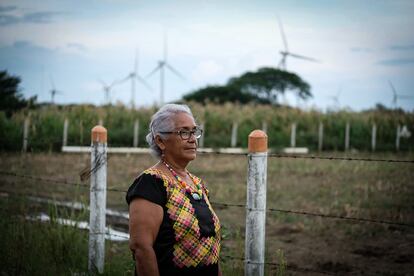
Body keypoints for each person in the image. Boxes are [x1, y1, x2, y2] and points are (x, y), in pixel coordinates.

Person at [126, 104, 221, 276]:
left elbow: (211, 249)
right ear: (160, 141)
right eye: (184, 132)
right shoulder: (151, 183)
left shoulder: (197, 184)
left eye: (194, 131)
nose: (193, 139)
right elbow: (141, 248)